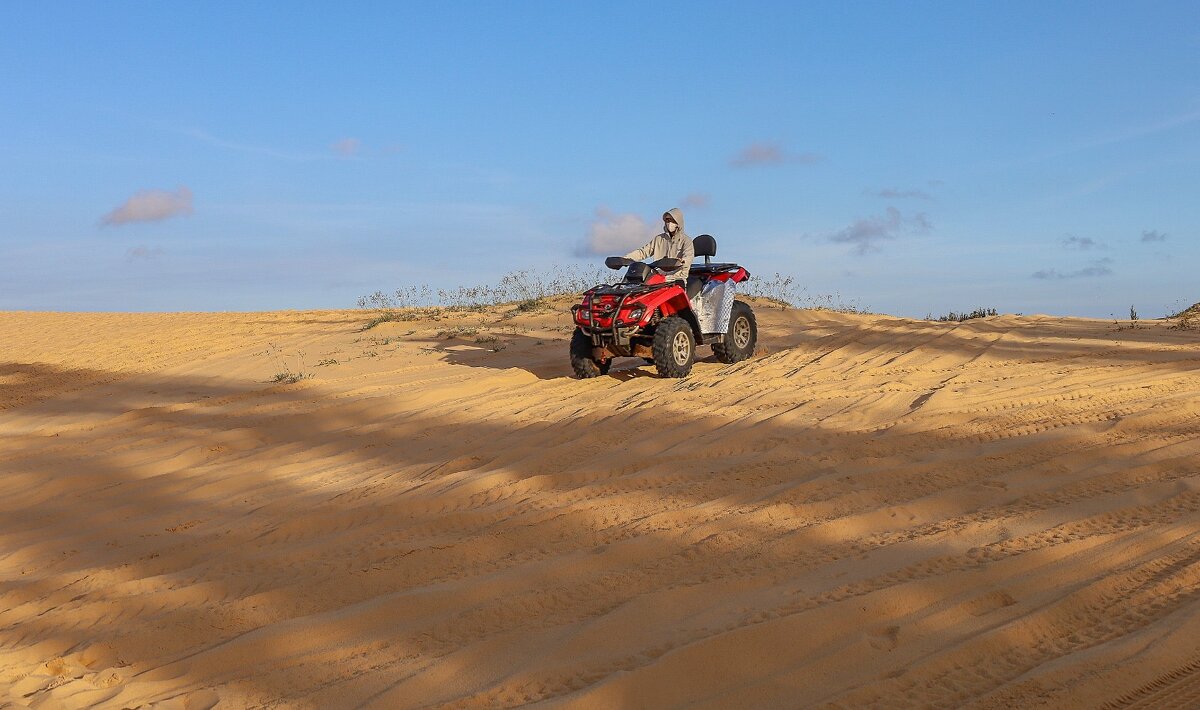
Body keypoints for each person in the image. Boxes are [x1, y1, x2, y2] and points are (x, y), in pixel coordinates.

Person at [624, 208, 694, 282]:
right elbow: (643, 252)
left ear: (678, 222)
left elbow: (688, 256)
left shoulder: (686, 241)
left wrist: (682, 261)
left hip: (676, 279)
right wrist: (626, 259)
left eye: (672, 220)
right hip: (658, 279)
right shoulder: (659, 239)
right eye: (667, 220)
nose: (669, 223)